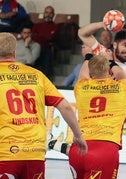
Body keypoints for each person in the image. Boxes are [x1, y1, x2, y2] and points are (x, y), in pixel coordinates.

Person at [0, 32, 87, 178]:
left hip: (5, 152)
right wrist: (78, 135)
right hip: (35, 152)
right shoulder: (36, 75)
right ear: (14, 52)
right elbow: (65, 106)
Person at [68, 54, 126, 179]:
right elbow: (121, 75)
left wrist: (88, 57)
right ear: (108, 70)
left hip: (79, 148)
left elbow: (82, 74)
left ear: (91, 73)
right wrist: (111, 61)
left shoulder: (81, 87)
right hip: (105, 148)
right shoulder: (121, 87)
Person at [78, 21, 126, 107]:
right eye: (125, 45)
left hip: (118, 116)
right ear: (115, 45)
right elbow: (82, 33)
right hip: (95, 112)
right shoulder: (103, 53)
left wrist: (125, 103)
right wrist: (101, 24)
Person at [31, 5, 59, 80]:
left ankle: (45, 79)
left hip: (46, 49)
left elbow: (51, 38)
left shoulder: (55, 27)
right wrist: (43, 37)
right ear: (44, 13)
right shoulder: (37, 25)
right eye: (46, 12)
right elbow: (33, 37)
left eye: (50, 13)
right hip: (35, 47)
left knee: (47, 53)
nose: (48, 15)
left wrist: (39, 37)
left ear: (53, 15)